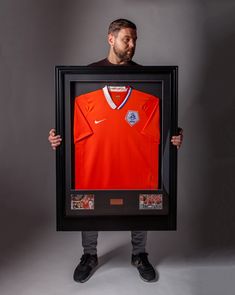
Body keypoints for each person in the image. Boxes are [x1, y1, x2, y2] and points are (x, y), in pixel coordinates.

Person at [48, 19, 183, 283]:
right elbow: (68, 122)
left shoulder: (145, 80)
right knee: (88, 199)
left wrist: (174, 137)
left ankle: (139, 253)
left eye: (135, 40)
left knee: (141, 195)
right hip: (97, 165)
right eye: (126, 39)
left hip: (134, 164)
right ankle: (89, 255)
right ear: (111, 39)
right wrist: (57, 136)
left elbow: (166, 119)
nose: (132, 45)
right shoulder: (86, 77)